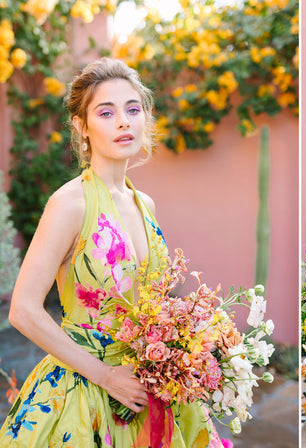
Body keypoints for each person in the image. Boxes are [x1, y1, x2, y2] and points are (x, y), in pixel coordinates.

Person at [0, 58, 224, 447]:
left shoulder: (145, 204)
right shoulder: (70, 204)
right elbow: (23, 309)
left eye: (132, 109)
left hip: (147, 388)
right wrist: (104, 376)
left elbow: (148, 302)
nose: (124, 121)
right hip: (85, 393)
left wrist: (186, 348)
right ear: (81, 127)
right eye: (106, 112)